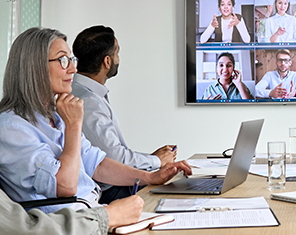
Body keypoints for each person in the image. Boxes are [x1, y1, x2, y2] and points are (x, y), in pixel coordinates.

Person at [0, 28, 192, 213]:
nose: (74, 69)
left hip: (93, 212)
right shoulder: (12, 128)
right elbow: (64, 186)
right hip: (69, 224)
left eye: (71, 60)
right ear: (35, 67)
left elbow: (97, 164)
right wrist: (74, 125)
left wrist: (150, 176)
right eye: (63, 60)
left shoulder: (54, 115)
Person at [70, 25, 178, 204]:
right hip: (109, 191)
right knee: (174, 190)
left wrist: (151, 161)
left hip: (111, 184)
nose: (118, 59)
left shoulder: (83, 92)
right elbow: (113, 157)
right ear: (107, 61)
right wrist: (156, 161)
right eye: (117, 53)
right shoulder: (88, 102)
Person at [0, 188, 142, 235]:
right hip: (82, 218)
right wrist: (108, 216)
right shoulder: (13, 128)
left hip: (89, 212)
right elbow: (27, 229)